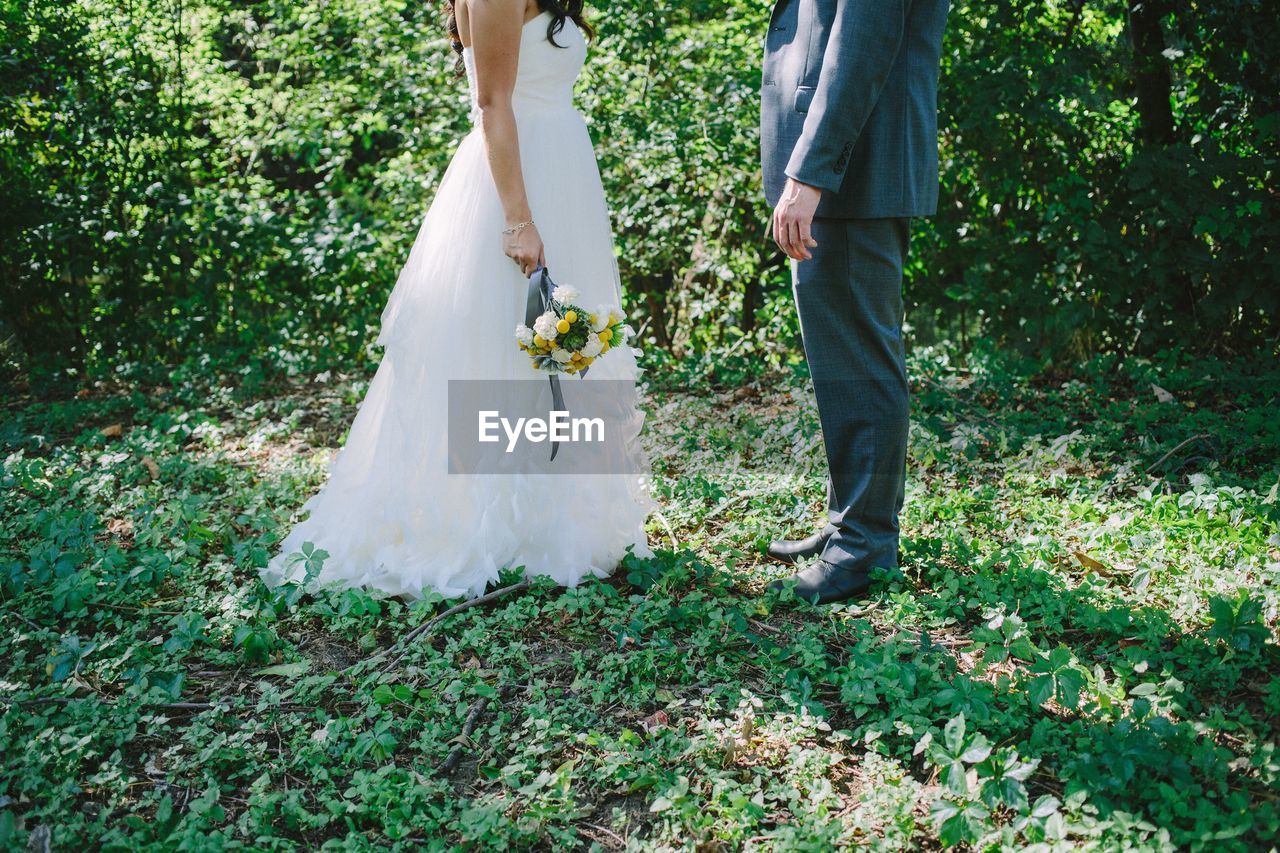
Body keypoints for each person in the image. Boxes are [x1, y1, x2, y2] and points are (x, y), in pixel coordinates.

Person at [263, 0, 651, 600]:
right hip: (514, 184)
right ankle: (478, 527)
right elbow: (493, 102)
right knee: (494, 346)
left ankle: (545, 524)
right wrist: (519, 220)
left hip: (563, 170)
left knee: (551, 353)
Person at [760, 0, 950, 604]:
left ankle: (865, 546)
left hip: (853, 166)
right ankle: (854, 520)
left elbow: (863, 38)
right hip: (850, 167)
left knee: (862, 358)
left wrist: (811, 172)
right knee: (845, 358)